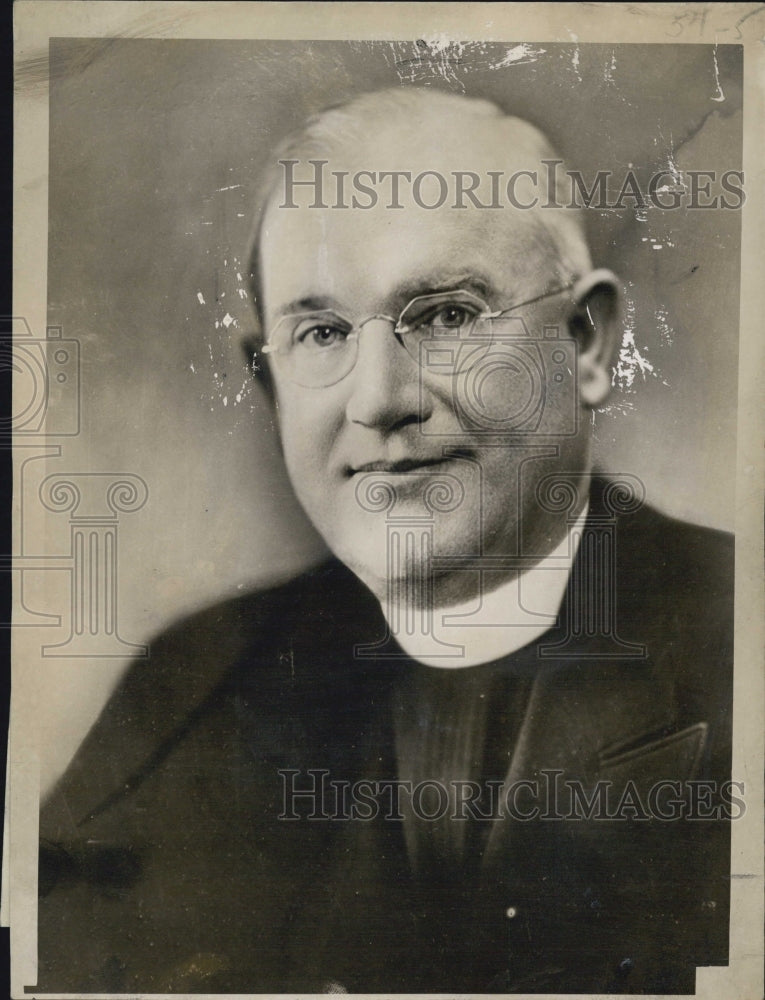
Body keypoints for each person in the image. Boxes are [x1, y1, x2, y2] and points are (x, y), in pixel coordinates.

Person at [36, 88, 733, 994]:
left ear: (585, 341)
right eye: (321, 332)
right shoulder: (183, 695)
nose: (377, 399)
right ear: (269, 381)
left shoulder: (739, 637)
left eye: (444, 315)